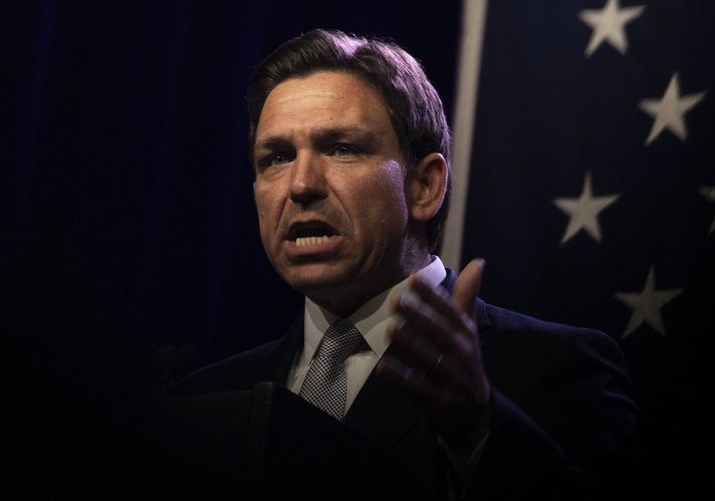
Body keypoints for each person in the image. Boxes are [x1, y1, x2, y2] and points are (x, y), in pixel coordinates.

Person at [166, 29, 637, 499]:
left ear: (424, 186)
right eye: (277, 157)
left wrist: (480, 433)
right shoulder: (207, 397)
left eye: (342, 148)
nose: (301, 184)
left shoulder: (559, 369)